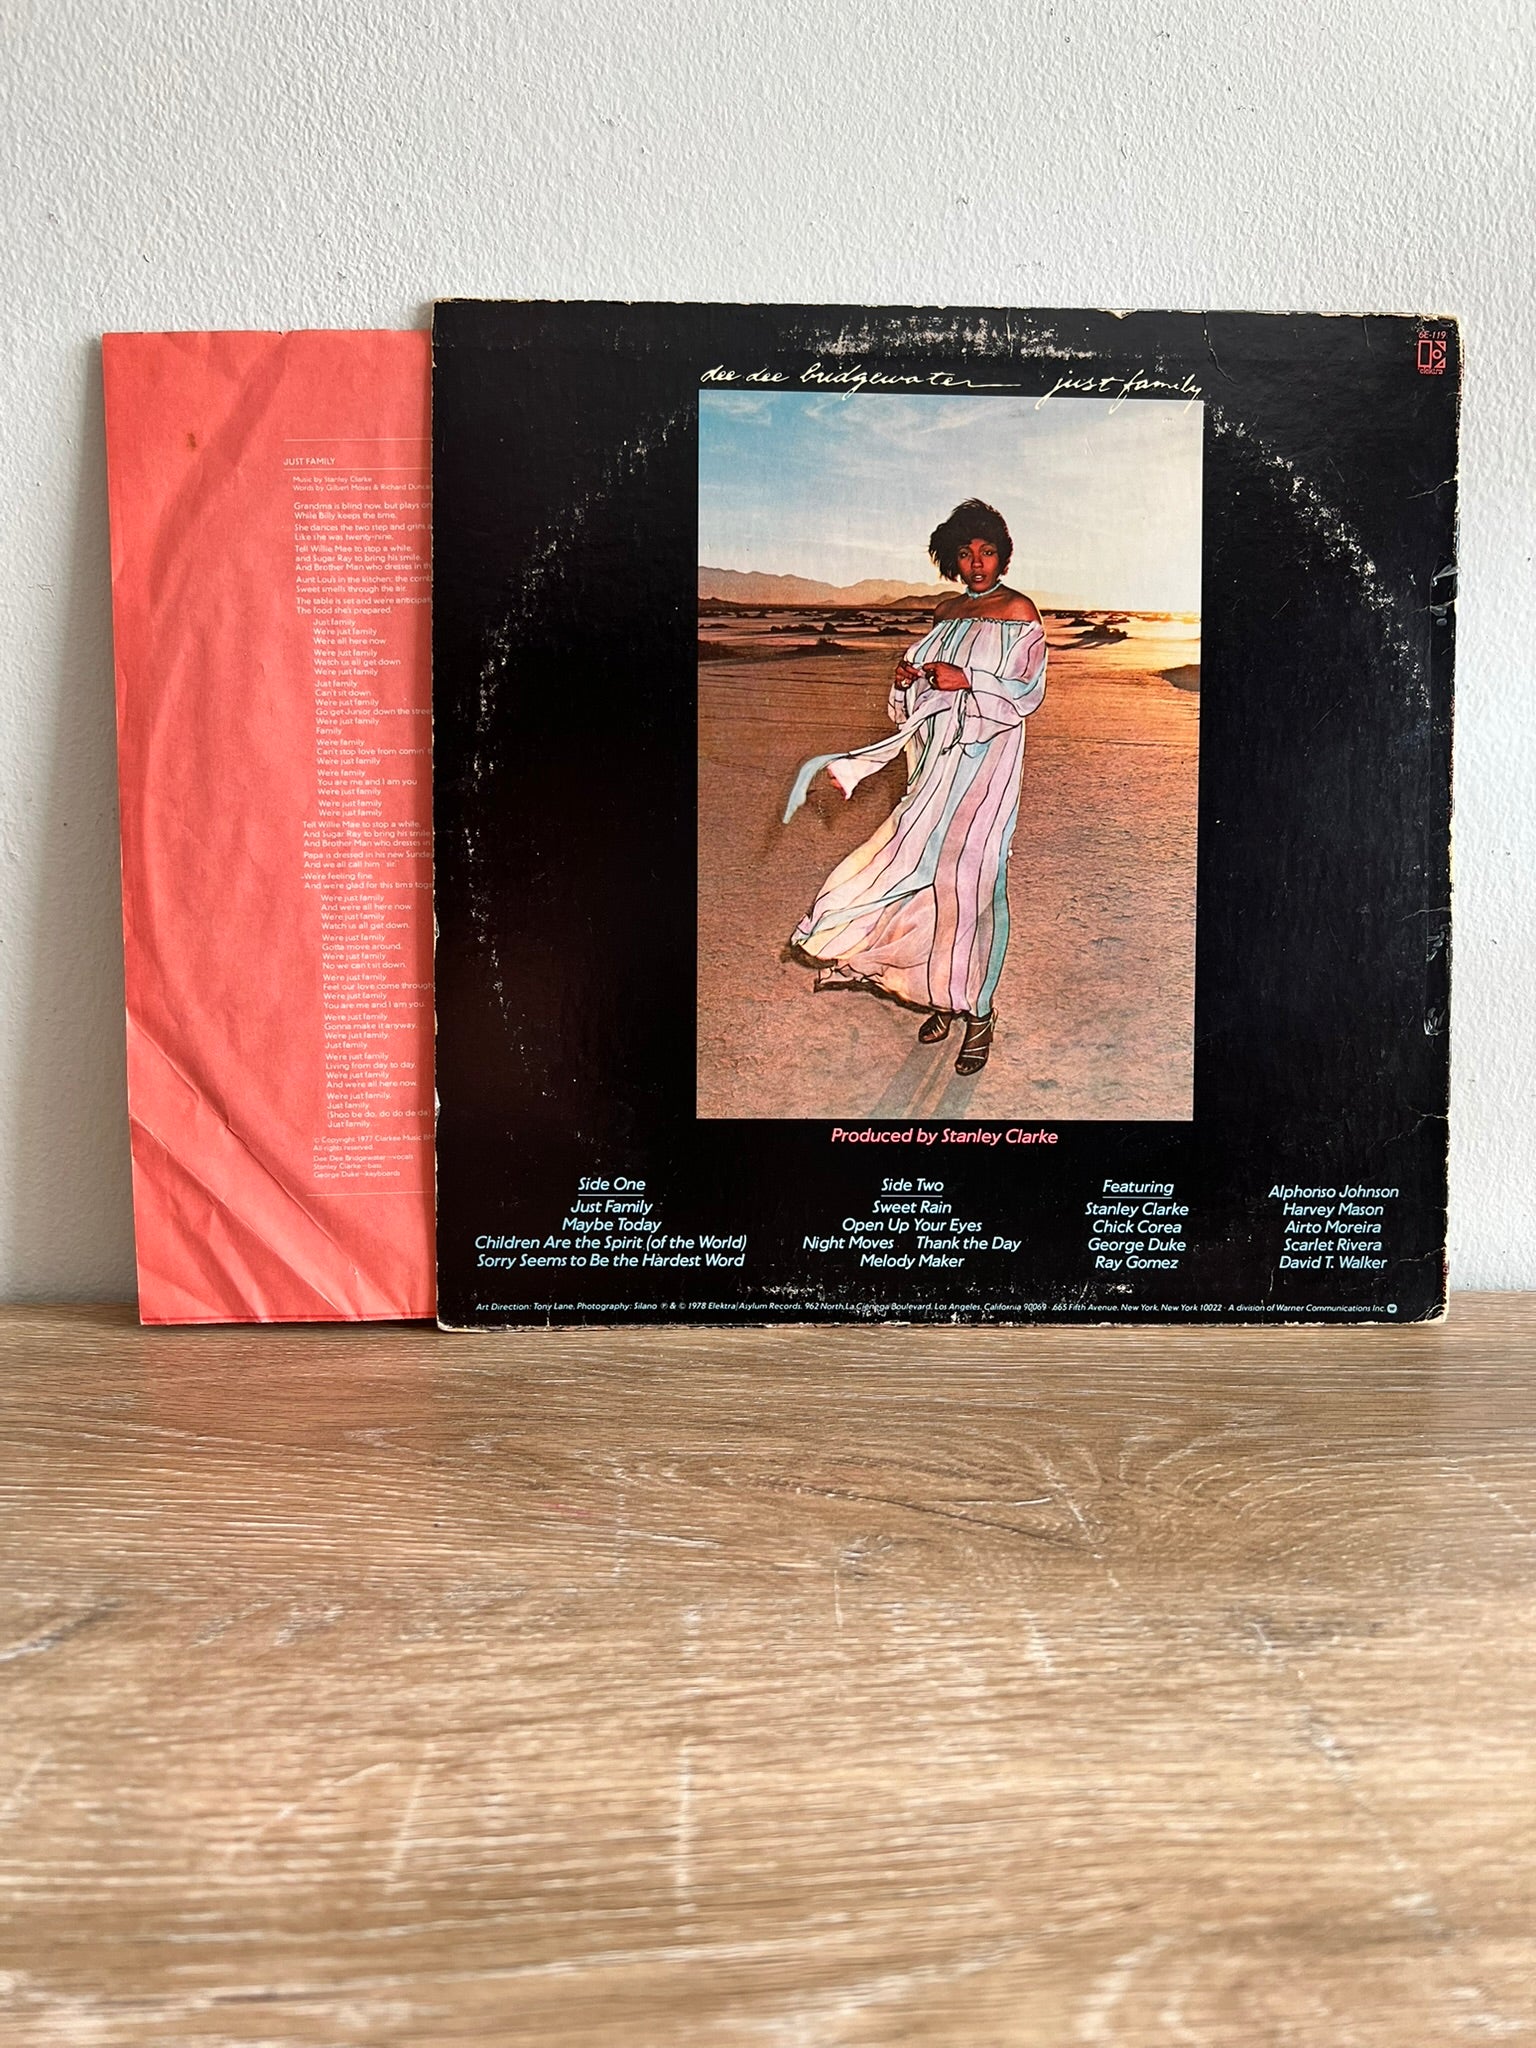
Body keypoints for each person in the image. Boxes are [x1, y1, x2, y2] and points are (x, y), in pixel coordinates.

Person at [783, 499, 1047, 1076]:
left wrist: (967, 678)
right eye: (965, 553)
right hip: (935, 769)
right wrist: (908, 682)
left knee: (971, 885)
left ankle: (980, 1012)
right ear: (952, 560)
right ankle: (944, 997)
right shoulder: (945, 611)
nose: (977, 563)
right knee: (921, 880)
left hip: (988, 770)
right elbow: (917, 706)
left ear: (1003, 556)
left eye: (987, 552)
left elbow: (1026, 694)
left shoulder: (1020, 611)